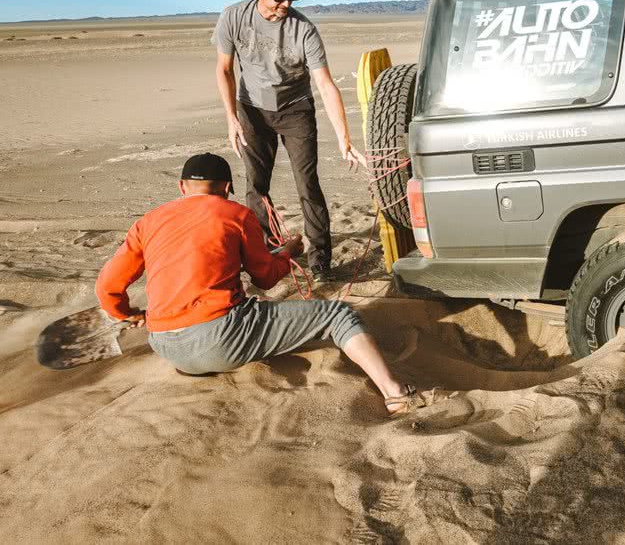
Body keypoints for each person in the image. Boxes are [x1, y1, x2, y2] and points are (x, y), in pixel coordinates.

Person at [95, 153, 421, 417]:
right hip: (221, 337)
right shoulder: (236, 214)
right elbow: (265, 278)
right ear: (226, 189)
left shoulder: (146, 222)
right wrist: (289, 254)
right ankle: (395, 394)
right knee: (338, 316)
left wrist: (127, 313)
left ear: (182, 187)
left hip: (166, 346)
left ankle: (205, 359)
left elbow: (107, 286)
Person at [213, 0, 366, 282]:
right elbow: (224, 69)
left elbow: (325, 84)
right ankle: (267, 250)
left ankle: (320, 259)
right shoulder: (233, 17)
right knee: (256, 185)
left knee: (307, 184)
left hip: (296, 109)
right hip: (252, 109)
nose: (284, 3)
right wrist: (231, 118)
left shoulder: (303, 30)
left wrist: (344, 139)